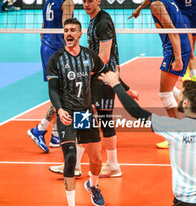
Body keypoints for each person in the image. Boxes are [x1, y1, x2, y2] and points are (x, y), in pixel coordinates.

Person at [99, 61, 196, 206]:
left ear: (187, 104)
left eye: (180, 97)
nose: (178, 99)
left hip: (187, 205)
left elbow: (137, 113)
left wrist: (116, 85)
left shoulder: (175, 129)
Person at [49, 0, 139, 177]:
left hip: (103, 79)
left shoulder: (103, 22)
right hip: (96, 78)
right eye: (84, 1)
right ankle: (75, 164)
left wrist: (78, 71)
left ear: (98, 1)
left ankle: (113, 165)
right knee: (85, 118)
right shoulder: (94, 20)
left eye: (90, 1)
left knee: (104, 120)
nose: (86, 4)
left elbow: (103, 58)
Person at [47, 17, 115, 206]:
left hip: (85, 114)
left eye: (72, 30)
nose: (68, 33)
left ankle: (92, 185)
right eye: (65, 30)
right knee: (69, 159)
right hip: (67, 114)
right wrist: (59, 110)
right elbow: (52, 90)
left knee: (96, 161)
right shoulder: (56, 59)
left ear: (79, 34)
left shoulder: (89, 56)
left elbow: (104, 73)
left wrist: (126, 89)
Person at [129, 0, 192, 149]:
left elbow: (171, 29)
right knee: (169, 90)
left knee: (165, 94)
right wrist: (139, 8)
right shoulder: (167, 1)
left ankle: (176, 135)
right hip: (181, 46)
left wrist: (177, 58)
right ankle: (192, 106)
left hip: (175, 49)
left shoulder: (156, 5)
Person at [129, 0, 196, 82]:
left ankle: (190, 70)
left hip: (195, 11)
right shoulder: (158, 4)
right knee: (184, 38)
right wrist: (139, 8)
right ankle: (187, 72)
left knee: (191, 46)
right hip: (182, 12)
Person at [28, 0, 74, 153]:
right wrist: (69, 51)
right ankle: (39, 129)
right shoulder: (67, 2)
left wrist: (47, 43)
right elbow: (65, 27)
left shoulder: (48, 1)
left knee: (58, 90)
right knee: (62, 92)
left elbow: (42, 29)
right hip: (57, 48)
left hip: (46, 47)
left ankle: (55, 136)